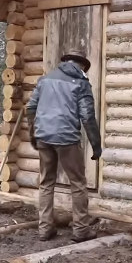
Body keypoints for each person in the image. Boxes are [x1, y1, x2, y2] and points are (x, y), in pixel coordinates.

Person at [26, 48, 102, 242]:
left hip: (43, 137)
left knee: (46, 182)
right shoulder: (82, 83)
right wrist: (96, 144)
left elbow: (31, 108)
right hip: (67, 138)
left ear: (65, 62)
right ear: (82, 66)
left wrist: (33, 133)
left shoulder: (45, 80)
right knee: (77, 183)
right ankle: (81, 230)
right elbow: (87, 116)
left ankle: (45, 229)